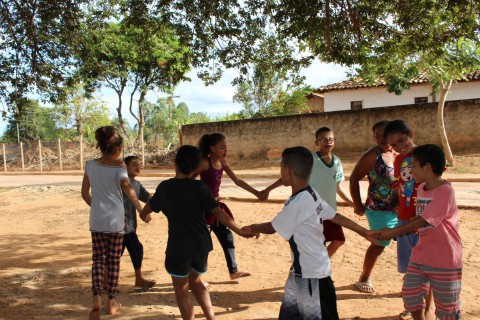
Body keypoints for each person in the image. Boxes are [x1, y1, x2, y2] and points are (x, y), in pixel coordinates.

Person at [244, 146, 378, 320]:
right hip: (305, 271)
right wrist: (364, 231)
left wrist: (252, 227)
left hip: (311, 275)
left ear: (287, 170)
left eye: (280, 167)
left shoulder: (300, 202)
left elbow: (271, 227)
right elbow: (334, 215)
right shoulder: (310, 194)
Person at [140, 145, 257, 320]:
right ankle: (211, 317)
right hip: (201, 245)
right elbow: (218, 212)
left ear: (175, 163)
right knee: (195, 281)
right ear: (196, 168)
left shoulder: (165, 187)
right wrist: (239, 230)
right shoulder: (200, 187)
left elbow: (147, 208)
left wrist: (143, 214)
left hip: (178, 248)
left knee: (181, 290)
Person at [376, 144, 462, 320]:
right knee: (411, 293)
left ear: (427, 167)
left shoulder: (445, 191)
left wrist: (393, 232)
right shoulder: (422, 189)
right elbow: (419, 220)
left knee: (447, 310)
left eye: (414, 165)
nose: (410, 169)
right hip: (421, 255)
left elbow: (423, 220)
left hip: (444, 259)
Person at [259, 127, 354, 257]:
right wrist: (267, 189)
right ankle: (315, 266)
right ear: (317, 143)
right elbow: (288, 178)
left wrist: (352, 203)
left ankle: (320, 263)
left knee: (339, 240)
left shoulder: (337, 161)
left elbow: (337, 187)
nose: (328, 142)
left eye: (331, 139)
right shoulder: (311, 159)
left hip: (329, 210)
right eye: (324, 139)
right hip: (312, 210)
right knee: (317, 244)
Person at [81, 126, 144, 320]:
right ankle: (111, 302)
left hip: (97, 220)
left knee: (98, 260)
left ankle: (97, 298)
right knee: (114, 261)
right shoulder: (119, 166)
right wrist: (140, 209)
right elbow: (128, 189)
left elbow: (84, 193)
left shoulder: (90, 165)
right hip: (116, 220)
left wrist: (97, 207)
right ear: (118, 148)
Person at [384, 119, 434, 320]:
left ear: (410, 134)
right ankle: (414, 306)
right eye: (393, 145)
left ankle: (429, 308)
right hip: (405, 219)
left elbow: (436, 184)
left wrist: (425, 215)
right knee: (411, 267)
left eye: (402, 140)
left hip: (423, 219)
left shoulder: (426, 155)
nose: (399, 146)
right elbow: (403, 184)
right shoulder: (398, 160)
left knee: (428, 267)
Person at [194, 133, 261, 280]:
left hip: (217, 207)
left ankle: (233, 271)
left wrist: (256, 192)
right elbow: (189, 180)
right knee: (203, 243)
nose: (226, 150)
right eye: (222, 147)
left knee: (227, 238)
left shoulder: (223, 162)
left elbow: (237, 180)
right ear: (212, 148)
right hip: (204, 209)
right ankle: (195, 279)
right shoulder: (205, 163)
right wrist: (199, 196)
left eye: (226, 147)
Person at [349, 120, 399, 293]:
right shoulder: (372, 155)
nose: (381, 139)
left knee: (410, 242)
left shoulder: (399, 153)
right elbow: (354, 177)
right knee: (379, 244)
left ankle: (412, 283)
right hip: (379, 208)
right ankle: (364, 277)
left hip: (400, 208)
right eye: (377, 135)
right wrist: (357, 204)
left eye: (384, 135)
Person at [121, 155, 155, 290]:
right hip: (123, 224)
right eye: (134, 164)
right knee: (137, 249)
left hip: (130, 225)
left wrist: (162, 201)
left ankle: (106, 281)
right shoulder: (122, 182)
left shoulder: (136, 184)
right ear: (125, 167)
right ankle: (139, 279)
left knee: (118, 252)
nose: (138, 167)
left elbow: (148, 198)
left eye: (139, 165)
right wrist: (143, 212)